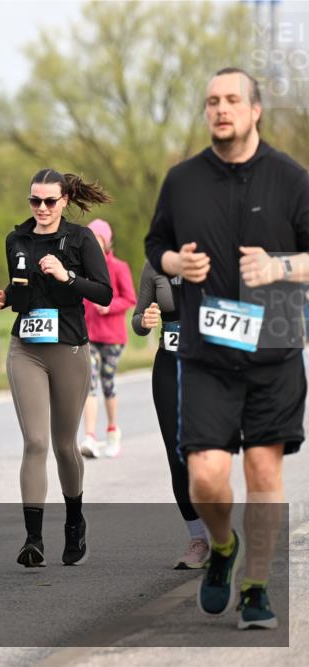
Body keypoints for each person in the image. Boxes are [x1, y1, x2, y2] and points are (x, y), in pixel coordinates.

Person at [145, 67, 309, 630]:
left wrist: (279, 266)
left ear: (255, 109)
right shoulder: (182, 179)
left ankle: (257, 587)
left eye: (233, 99)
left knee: (264, 473)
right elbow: (156, 244)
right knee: (206, 477)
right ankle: (221, 545)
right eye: (212, 100)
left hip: (276, 347)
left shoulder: (291, 178)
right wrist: (175, 264)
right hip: (207, 351)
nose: (221, 108)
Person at [0, 169, 112, 568]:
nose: (41, 208)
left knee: (63, 445)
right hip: (26, 347)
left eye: (49, 202)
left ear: (64, 202)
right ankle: (33, 539)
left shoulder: (80, 239)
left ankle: (74, 522)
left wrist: (67, 275)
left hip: (69, 348)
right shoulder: (16, 239)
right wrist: (3, 296)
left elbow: (104, 293)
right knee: (35, 442)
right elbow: (21, 287)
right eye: (34, 201)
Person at [131, 260, 209, 569]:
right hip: (168, 366)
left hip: (209, 366)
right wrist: (145, 321)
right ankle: (198, 539)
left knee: (205, 455)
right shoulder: (153, 265)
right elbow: (137, 320)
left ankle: (221, 532)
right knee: (177, 456)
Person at [79, 219, 136, 458]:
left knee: (108, 382)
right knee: (88, 384)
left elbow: (130, 299)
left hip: (113, 336)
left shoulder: (119, 267)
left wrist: (109, 306)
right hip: (89, 335)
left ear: (106, 241)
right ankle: (90, 437)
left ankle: (113, 431)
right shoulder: (81, 268)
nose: (94, 243)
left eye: (98, 238)